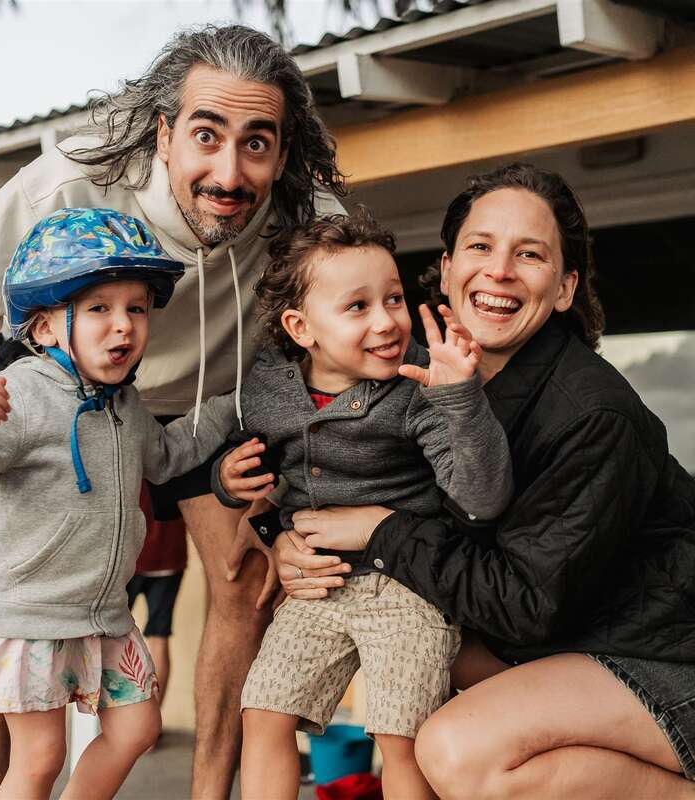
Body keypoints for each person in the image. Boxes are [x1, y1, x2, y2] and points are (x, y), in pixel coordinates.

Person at [0, 23, 344, 798]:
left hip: (214, 405)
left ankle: (210, 790)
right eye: (206, 136)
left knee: (246, 575)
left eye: (256, 144)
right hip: (58, 388)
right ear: (165, 133)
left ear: (281, 154)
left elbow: (327, 351)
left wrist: (283, 484)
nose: (229, 170)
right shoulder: (69, 185)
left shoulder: (307, 223)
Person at [274, 164, 695, 798]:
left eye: (529, 254)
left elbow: (526, 603)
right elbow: (337, 485)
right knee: (412, 654)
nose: (499, 270)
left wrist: (381, 532)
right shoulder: (414, 381)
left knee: (459, 749)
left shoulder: (591, 413)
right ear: (446, 270)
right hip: (577, 638)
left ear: (563, 289)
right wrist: (291, 542)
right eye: (480, 246)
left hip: (667, 651)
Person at [0, 208, 239, 799]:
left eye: (136, 308)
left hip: (102, 616)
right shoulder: (21, 396)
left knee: (138, 725)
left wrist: (232, 404)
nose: (124, 327)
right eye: (99, 309)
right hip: (29, 617)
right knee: (38, 757)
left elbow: (166, 458)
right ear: (43, 329)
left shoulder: (124, 402)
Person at [211, 208, 513, 799]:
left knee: (401, 735)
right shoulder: (268, 386)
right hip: (318, 584)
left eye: (394, 299)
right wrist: (229, 479)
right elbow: (242, 463)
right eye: (357, 306)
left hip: (408, 587)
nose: (386, 321)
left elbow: (482, 495)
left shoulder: (419, 390)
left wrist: (462, 400)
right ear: (302, 328)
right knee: (265, 712)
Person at [127, 482, 189, 739]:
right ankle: (151, 731)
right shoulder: (177, 451)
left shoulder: (131, 445)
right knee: (159, 638)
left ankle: (107, 725)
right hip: (170, 554)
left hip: (130, 556)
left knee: (104, 639)